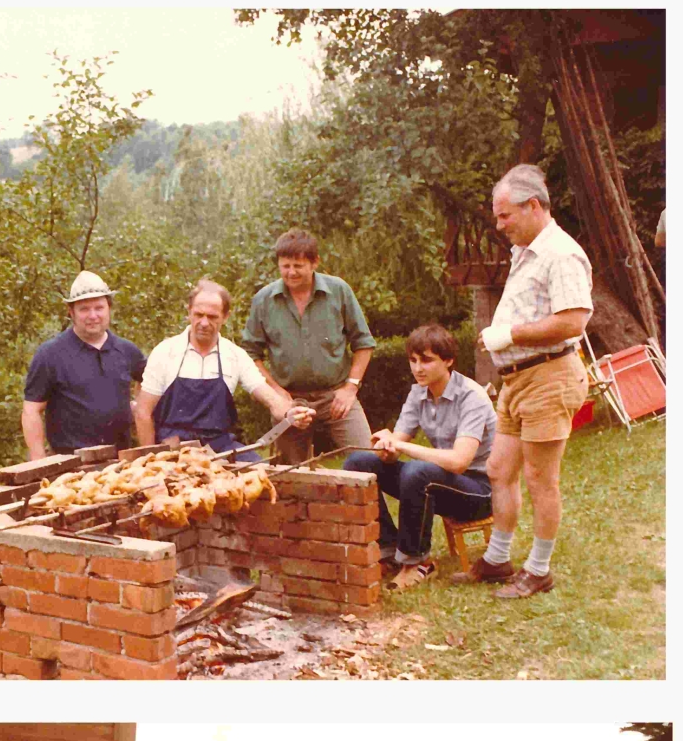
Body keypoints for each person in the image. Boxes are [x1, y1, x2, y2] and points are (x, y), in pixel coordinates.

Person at [453, 164, 592, 599]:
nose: (499, 225)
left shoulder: (560, 253)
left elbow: (574, 320)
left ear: (533, 206)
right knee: (499, 469)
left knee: (540, 479)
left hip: (549, 377)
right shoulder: (527, 250)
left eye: (505, 215)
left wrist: (510, 335)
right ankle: (498, 559)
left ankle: (539, 569)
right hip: (517, 382)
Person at [342, 324, 496, 591]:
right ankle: (388, 550)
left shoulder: (472, 396)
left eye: (426, 360)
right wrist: (385, 447)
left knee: (417, 471)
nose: (418, 368)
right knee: (358, 463)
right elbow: (397, 445)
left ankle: (417, 563)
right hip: (442, 481)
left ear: (448, 360)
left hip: (480, 491)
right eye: (413, 360)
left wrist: (405, 450)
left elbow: (459, 461)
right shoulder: (418, 393)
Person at [133, 278, 312, 458]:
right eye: (198, 314)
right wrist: (151, 461)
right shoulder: (165, 352)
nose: (204, 323)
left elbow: (268, 396)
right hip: (173, 449)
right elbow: (143, 412)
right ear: (189, 312)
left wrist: (290, 413)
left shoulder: (234, 355)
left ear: (225, 317)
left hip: (219, 448)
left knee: (262, 472)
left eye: (212, 317)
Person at [241, 228, 375, 463]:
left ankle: (375, 500)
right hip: (291, 402)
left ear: (315, 263)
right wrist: (276, 392)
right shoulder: (263, 300)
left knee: (369, 460)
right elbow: (250, 355)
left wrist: (350, 388)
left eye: (298, 266)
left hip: (336, 396)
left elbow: (363, 344)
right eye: (285, 266)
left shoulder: (339, 291)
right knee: (291, 475)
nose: (291, 272)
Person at [21, 272, 146, 459]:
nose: (93, 315)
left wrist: (139, 406)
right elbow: (31, 410)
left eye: (99, 308)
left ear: (109, 309)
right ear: (71, 312)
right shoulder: (50, 354)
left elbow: (149, 383)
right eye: (84, 309)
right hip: (68, 465)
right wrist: (39, 465)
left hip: (120, 463)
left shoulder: (127, 351)